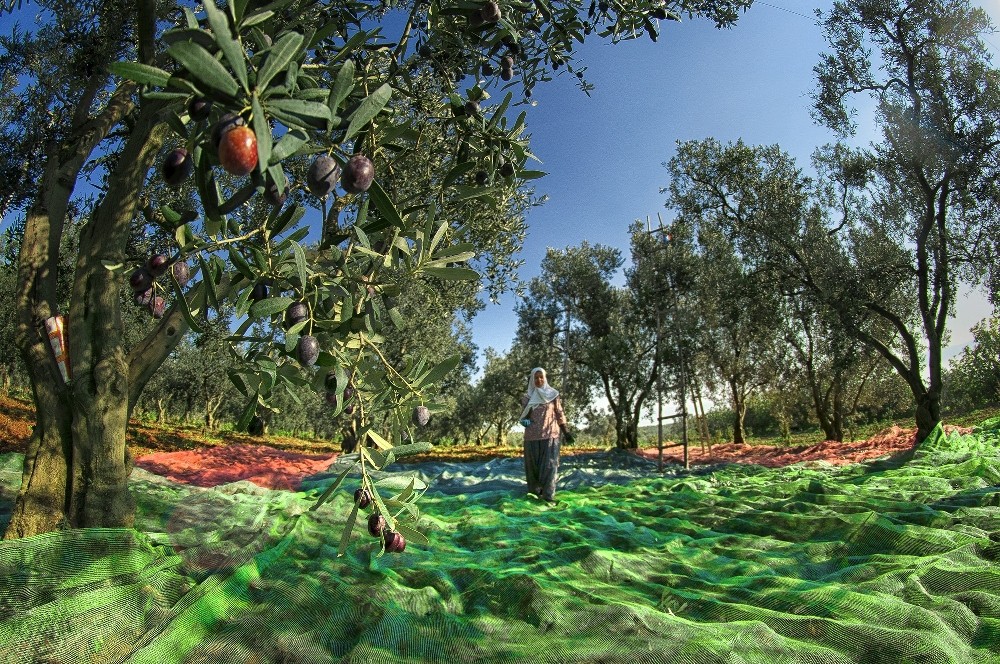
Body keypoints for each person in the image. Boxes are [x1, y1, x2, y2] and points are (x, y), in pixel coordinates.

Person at [519, 367, 570, 503]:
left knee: (550, 466)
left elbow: (559, 413)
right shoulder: (527, 398)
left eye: (541, 377)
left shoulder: (553, 395)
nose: (539, 380)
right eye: (536, 377)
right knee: (532, 467)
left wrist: (566, 431)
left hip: (550, 436)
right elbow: (523, 416)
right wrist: (525, 421)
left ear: (545, 378)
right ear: (532, 380)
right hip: (531, 437)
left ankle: (548, 496)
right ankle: (534, 495)